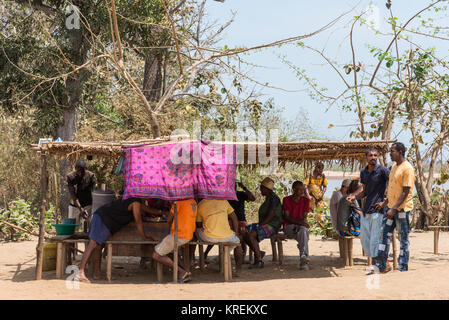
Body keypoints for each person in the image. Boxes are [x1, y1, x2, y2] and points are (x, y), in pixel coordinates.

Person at [77, 196, 157, 282]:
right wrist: (144, 237)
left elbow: (149, 210)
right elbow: (138, 221)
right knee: (92, 244)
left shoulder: (137, 201)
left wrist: (163, 212)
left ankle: (97, 273)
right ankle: (80, 272)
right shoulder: (135, 202)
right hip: (102, 218)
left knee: (98, 246)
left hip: (105, 220)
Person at [346, 148, 390, 270]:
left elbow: (393, 185)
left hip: (378, 210)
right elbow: (364, 191)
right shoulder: (363, 172)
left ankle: (380, 265)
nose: (373, 157)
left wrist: (385, 202)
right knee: (366, 239)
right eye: (370, 155)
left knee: (375, 239)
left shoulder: (383, 170)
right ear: (366, 158)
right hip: (367, 209)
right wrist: (354, 197)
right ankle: (384, 264)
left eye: (375, 155)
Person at [375, 142, 415, 273]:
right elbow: (392, 190)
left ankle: (402, 266)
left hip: (402, 209)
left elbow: (405, 191)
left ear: (400, 152)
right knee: (383, 234)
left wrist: (394, 209)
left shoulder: (407, 168)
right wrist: (385, 204)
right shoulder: (393, 167)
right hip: (390, 208)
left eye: (392, 151)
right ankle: (381, 265)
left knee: (403, 237)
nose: (390, 154)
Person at [152, 199, 198, 283]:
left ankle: (182, 272)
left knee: (156, 255)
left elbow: (169, 219)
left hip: (179, 235)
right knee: (172, 253)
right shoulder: (193, 202)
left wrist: (172, 205)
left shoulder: (178, 203)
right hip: (188, 234)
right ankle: (187, 271)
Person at [242, 177, 283, 269]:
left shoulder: (274, 199)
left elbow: (270, 216)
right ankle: (258, 252)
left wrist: (258, 226)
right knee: (243, 231)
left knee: (251, 234)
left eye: (261, 188)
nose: (260, 189)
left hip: (272, 226)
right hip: (265, 224)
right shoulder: (269, 198)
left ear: (266, 189)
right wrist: (257, 225)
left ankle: (259, 261)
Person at [196, 199, 243, 274]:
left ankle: (198, 260)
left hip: (209, 237)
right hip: (227, 237)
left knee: (197, 230)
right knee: (238, 244)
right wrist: (236, 233)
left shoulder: (201, 204)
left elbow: (198, 224)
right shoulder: (224, 201)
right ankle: (238, 269)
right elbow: (234, 218)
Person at [282, 181, 312, 270]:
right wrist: (298, 224)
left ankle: (303, 256)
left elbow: (304, 217)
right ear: (294, 189)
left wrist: (299, 225)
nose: (302, 192)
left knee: (302, 230)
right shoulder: (286, 200)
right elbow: (287, 217)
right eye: (300, 190)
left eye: (303, 189)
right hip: (288, 227)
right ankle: (304, 258)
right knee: (303, 232)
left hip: (299, 228)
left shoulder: (306, 201)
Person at [67, 160, 97, 230]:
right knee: (72, 228)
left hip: (87, 204)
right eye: (78, 171)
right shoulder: (70, 177)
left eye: (82, 171)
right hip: (74, 205)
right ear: (75, 169)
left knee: (89, 227)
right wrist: (80, 209)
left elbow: (94, 192)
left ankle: (88, 240)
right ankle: (73, 241)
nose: (80, 173)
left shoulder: (91, 176)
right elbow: (73, 195)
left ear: (85, 169)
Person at [304, 162, 328, 227]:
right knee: (310, 211)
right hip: (311, 197)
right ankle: (310, 226)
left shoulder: (322, 176)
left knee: (320, 211)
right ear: (316, 168)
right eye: (321, 169)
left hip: (319, 197)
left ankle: (321, 227)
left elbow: (325, 186)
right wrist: (308, 196)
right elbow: (305, 186)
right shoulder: (309, 175)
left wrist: (322, 194)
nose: (322, 171)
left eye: (322, 169)